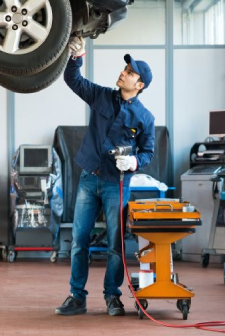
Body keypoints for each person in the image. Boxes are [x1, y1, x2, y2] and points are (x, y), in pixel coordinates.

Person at [55, 36, 155, 317]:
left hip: (117, 185)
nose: (123, 72)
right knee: (79, 241)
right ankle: (77, 297)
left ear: (139, 85)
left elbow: (148, 152)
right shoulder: (100, 95)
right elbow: (73, 80)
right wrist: (77, 56)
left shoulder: (145, 118)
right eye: (125, 69)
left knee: (115, 244)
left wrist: (134, 161)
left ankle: (113, 296)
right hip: (89, 178)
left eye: (130, 72)